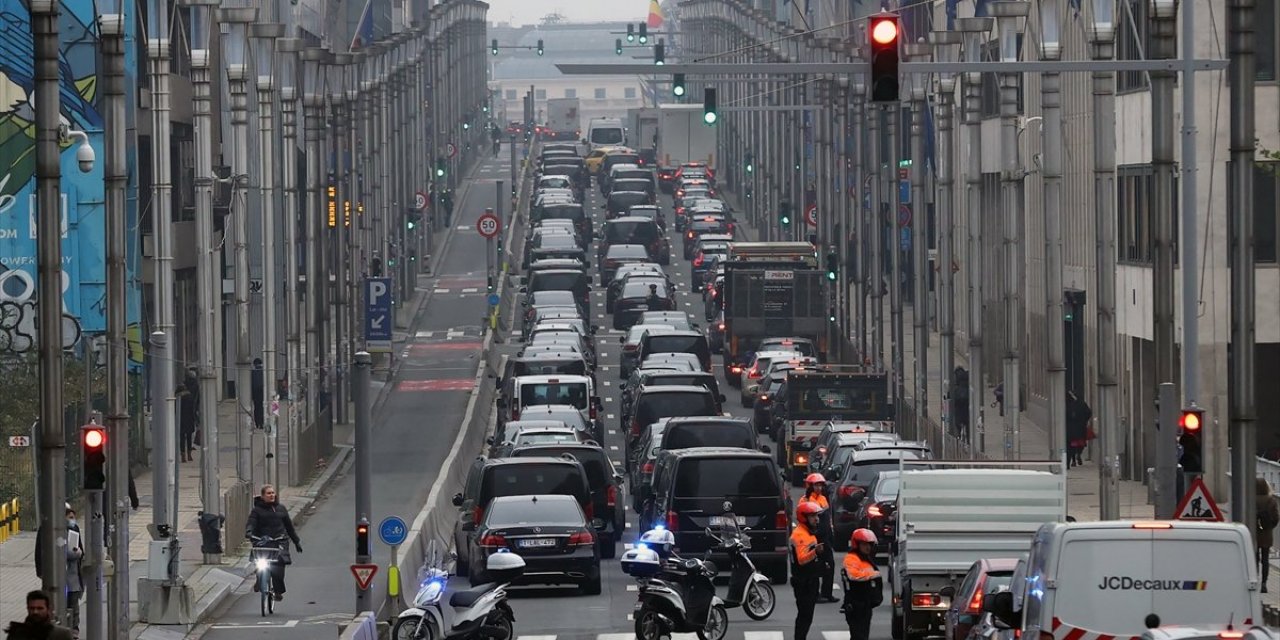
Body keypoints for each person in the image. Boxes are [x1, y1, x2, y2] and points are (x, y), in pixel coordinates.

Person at [245, 485, 302, 599]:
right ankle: (259, 578)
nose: (271, 495)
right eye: (268, 493)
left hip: (279, 541)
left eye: (272, 493)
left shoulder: (281, 508)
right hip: (263, 541)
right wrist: (249, 531)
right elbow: (251, 522)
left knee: (279, 566)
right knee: (260, 562)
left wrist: (296, 542)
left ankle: (278, 591)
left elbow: (289, 527)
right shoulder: (257, 511)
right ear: (262, 496)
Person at [34, 508, 83, 632]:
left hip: (72, 576)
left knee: (73, 604)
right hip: (55, 575)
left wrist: (79, 553)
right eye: (70, 517)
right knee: (55, 603)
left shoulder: (74, 529)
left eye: (73, 517)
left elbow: (79, 550)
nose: (72, 520)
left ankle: (73, 629)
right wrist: (40, 571)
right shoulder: (47, 530)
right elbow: (40, 551)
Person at [790, 501, 826, 640]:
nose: (816, 519)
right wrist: (815, 552)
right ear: (804, 517)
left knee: (807, 616)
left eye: (816, 516)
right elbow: (801, 560)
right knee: (805, 616)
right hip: (803, 582)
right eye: (812, 516)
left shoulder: (809, 532)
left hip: (810, 581)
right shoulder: (799, 535)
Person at [800, 473, 838, 603]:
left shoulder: (823, 499)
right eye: (816, 485)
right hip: (812, 538)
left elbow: (828, 519)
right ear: (810, 486)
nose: (819, 488)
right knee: (814, 567)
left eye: (820, 485)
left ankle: (827, 593)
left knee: (830, 565)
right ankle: (814, 594)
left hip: (825, 537)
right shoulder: (805, 500)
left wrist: (831, 533)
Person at [841, 529, 884, 640]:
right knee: (858, 636)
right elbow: (853, 576)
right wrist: (873, 574)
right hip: (855, 605)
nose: (868, 547)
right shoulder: (851, 559)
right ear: (857, 544)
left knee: (863, 635)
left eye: (870, 544)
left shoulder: (866, 559)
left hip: (865, 605)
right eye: (864, 544)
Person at [4, 590, 75, 640]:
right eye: (32, 608)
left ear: (48, 609)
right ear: (27, 608)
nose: (35, 612)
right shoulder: (17, 633)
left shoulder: (61, 635)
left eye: (40, 608)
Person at [1258, 478, 1279, 593]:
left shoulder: (1250, 499)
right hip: (1266, 533)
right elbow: (1276, 517)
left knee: (1254, 557)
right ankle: (1264, 583)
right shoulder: (1271, 500)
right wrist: (1269, 526)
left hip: (1254, 533)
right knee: (1265, 559)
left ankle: (1254, 579)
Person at [1065, 391, 1093, 468]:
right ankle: (1078, 454)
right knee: (1080, 443)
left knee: (1070, 446)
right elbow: (1088, 412)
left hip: (1069, 429)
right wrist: (1084, 421)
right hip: (1080, 428)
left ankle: (1070, 462)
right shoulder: (1081, 404)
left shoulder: (1066, 405)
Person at [177, 382, 197, 462]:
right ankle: (189, 455)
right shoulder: (190, 397)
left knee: (181, 438)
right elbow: (193, 408)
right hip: (189, 419)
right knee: (189, 437)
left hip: (180, 420)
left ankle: (183, 456)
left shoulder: (177, 398)